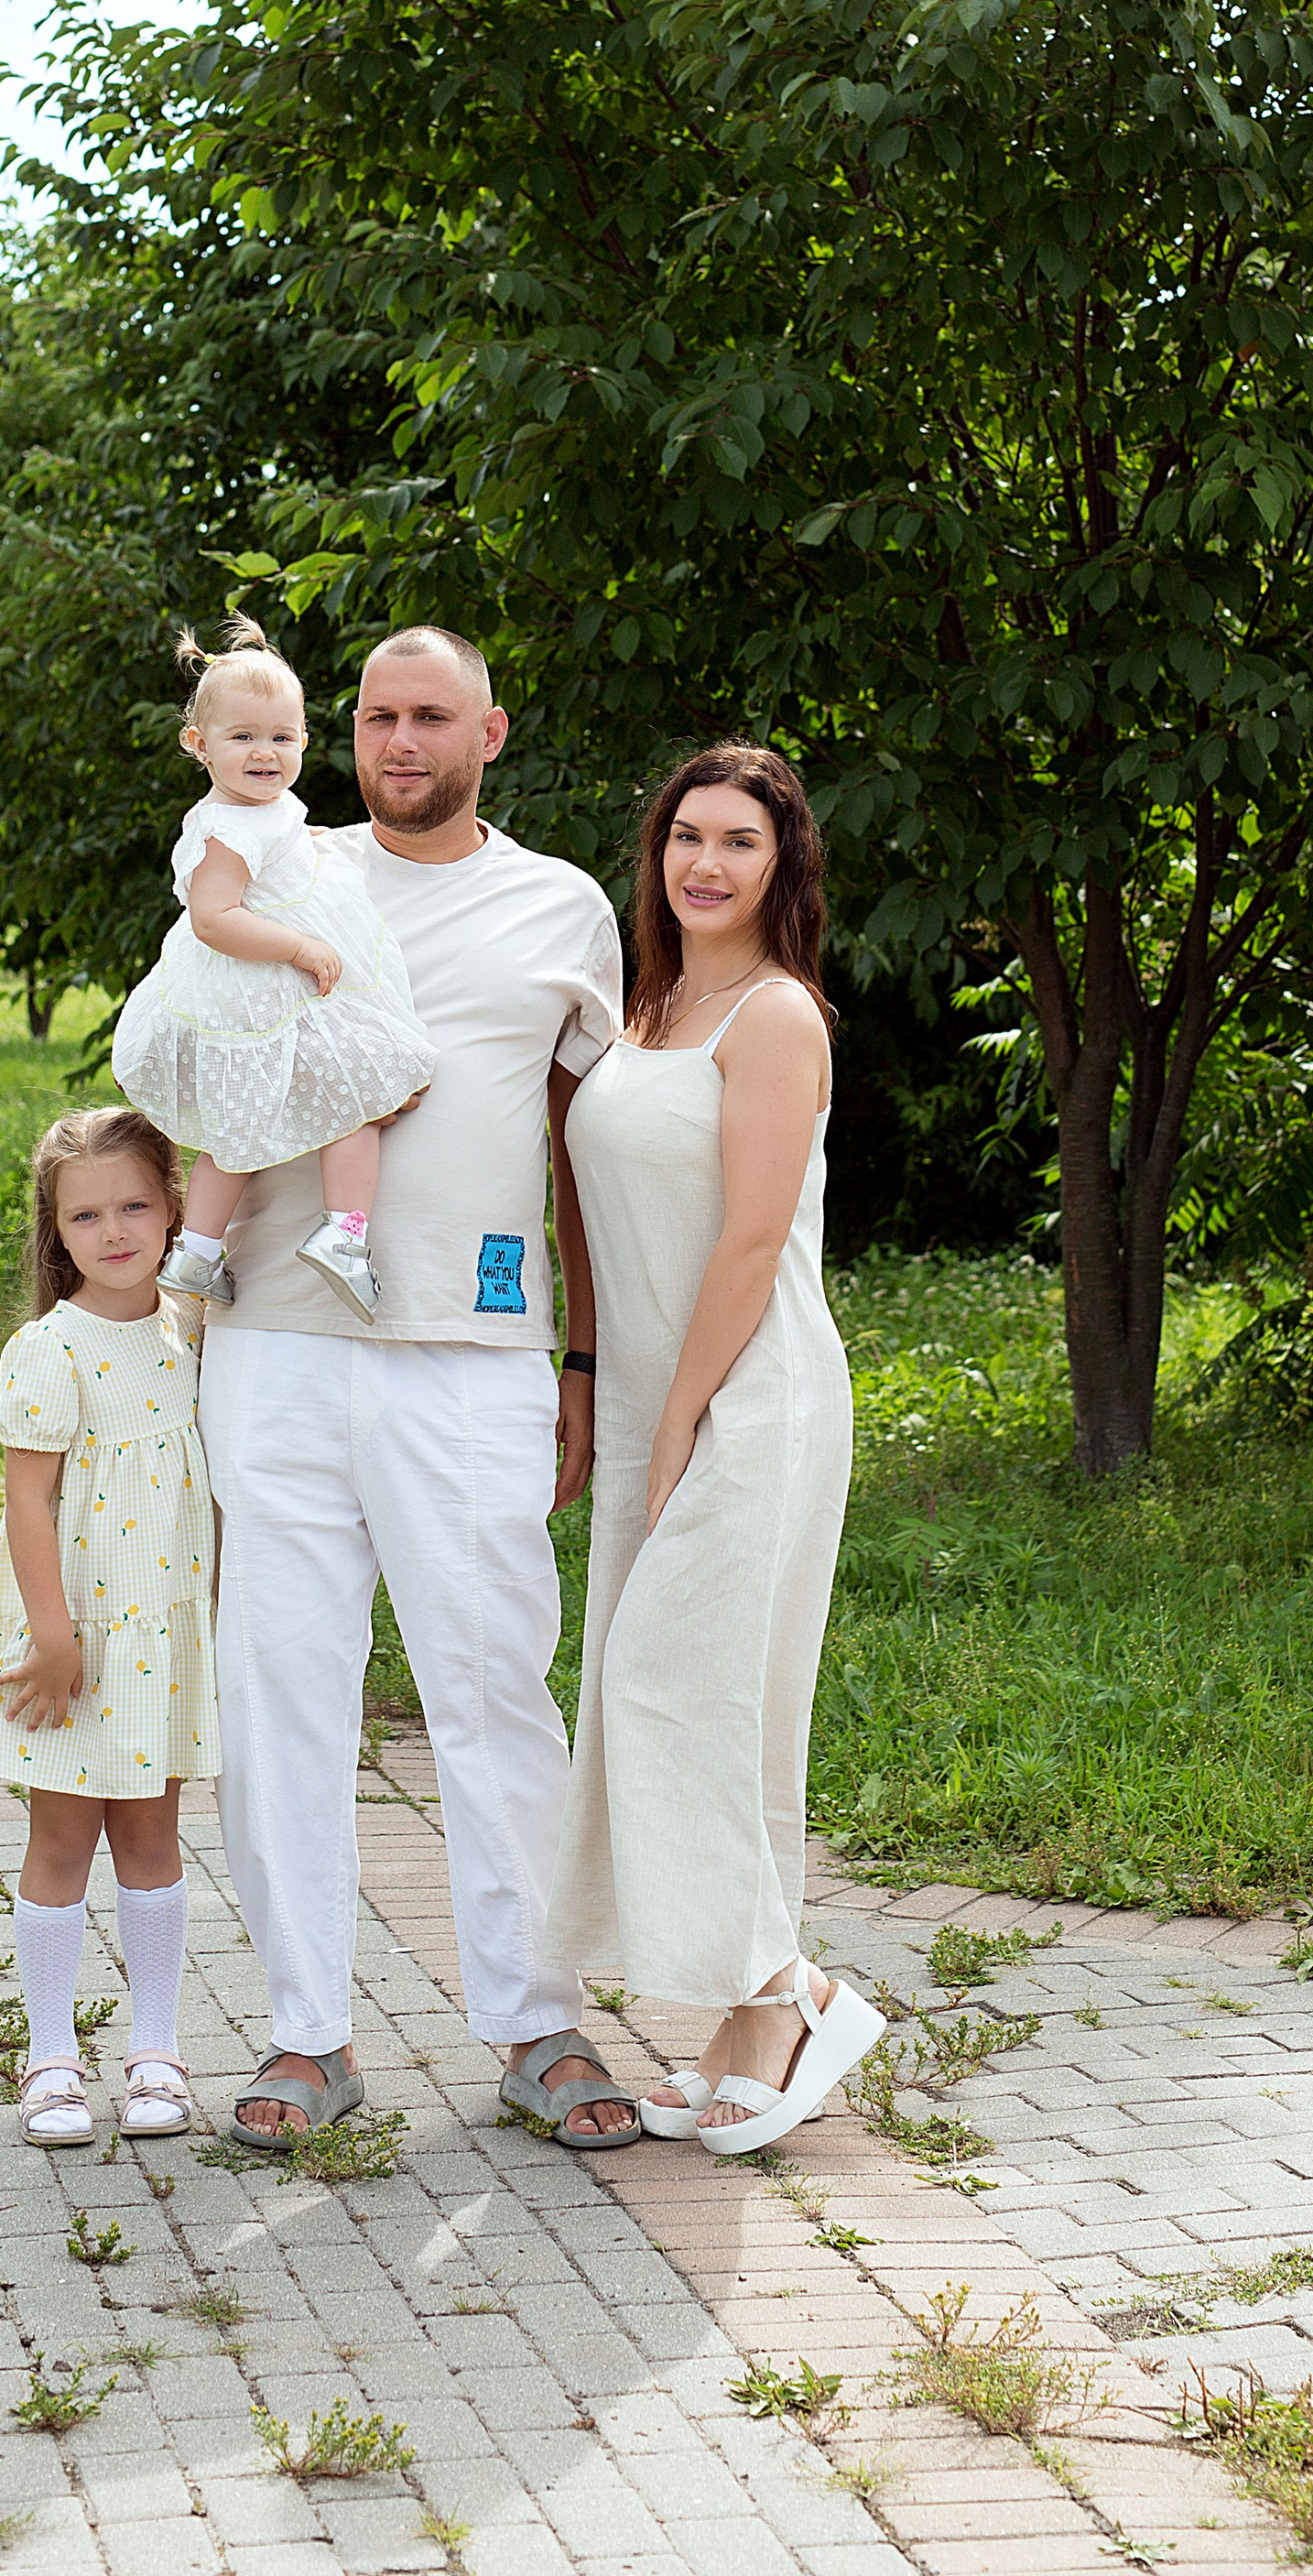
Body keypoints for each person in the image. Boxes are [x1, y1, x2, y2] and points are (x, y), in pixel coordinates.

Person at [197, 625, 640, 2149]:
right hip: (278, 1343)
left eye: (429, 716)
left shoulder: (563, 909)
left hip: (477, 1356)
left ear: (490, 733)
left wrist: (583, 1353)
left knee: (494, 1688)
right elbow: (187, 1070)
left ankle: (536, 2022)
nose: (397, 740)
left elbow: (592, 1148)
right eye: (376, 715)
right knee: (282, 1694)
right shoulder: (276, 870)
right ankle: (305, 2034)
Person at [546, 744, 884, 2154]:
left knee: (672, 1686)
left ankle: (791, 1993)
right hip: (649, 1397)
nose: (706, 862)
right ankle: (744, 2024)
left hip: (750, 1396)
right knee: (704, 1710)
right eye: (686, 834)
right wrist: (596, 1380)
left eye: (740, 842)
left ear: (782, 864)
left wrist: (681, 1413)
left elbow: (752, 1237)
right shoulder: (648, 1007)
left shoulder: (778, 1015)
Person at [0, 1105, 221, 2147]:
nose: (113, 1231)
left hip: (161, 1633)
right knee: (62, 1837)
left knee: (153, 1834)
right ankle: (50, 2054)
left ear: (172, 1210)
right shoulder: (50, 1348)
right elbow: (30, 1501)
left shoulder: (193, 1327)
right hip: (71, 1633)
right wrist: (54, 1635)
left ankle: (154, 2047)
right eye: (85, 1215)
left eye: (135, 1206)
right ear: (54, 1233)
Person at [113, 622, 437, 1322]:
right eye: (243, 738)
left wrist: (301, 846)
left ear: (304, 742)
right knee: (363, 1082)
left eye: (281, 737)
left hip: (257, 995)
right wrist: (298, 947)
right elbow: (214, 916)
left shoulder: (261, 812)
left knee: (239, 1126)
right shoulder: (226, 830)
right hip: (253, 988)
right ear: (198, 744)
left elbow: (277, 846)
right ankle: (344, 1233)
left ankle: (197, 1252)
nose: (266, 753)